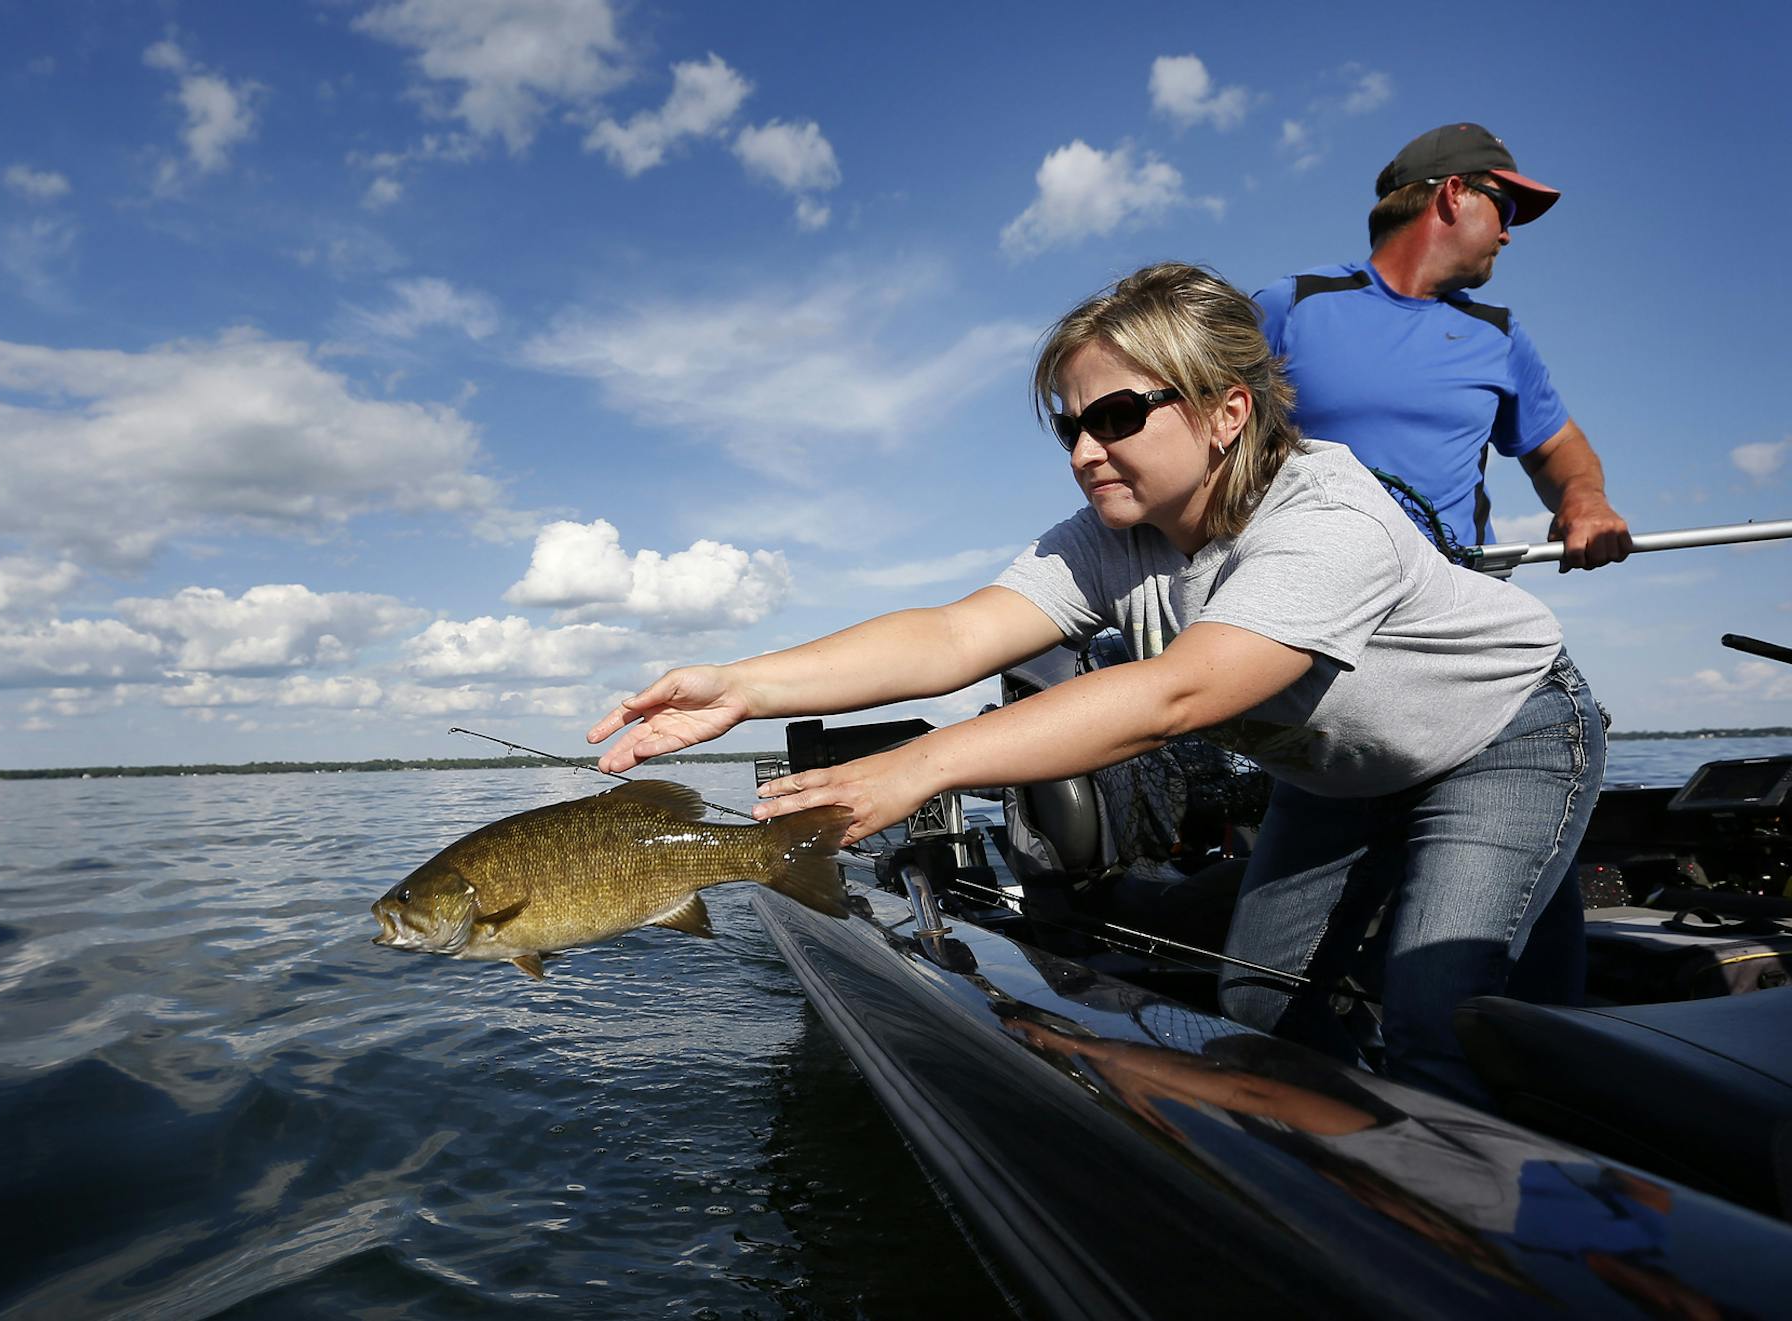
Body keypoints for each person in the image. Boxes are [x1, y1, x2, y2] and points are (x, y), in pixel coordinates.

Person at [587, 262, 1605, 1107]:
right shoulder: (1111, 537)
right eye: (1069, 425)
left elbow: (1179, 696)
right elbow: (955, 635)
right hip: (1342, 774)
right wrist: (740, 685)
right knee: (1257, 1007)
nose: (1084, 451)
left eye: (1115, 415)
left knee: (1444, 1024)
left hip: (1499, 739)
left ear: (1226, 412)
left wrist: (917, 768)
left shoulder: (1325, 518)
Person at [1252, 123, 1632, 570]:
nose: (1507, 235)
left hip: (1461, 597)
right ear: (1454, 193)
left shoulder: (1498, 333)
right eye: (1505, 211)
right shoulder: (1292, 306)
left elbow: (1556, 445)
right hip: (1309, 593)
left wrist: (1584, 499)